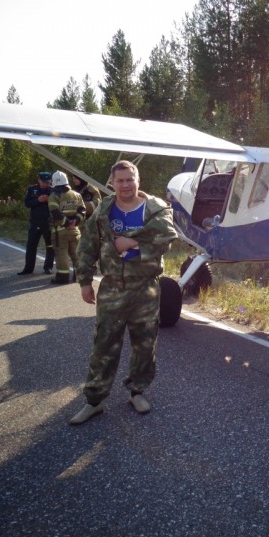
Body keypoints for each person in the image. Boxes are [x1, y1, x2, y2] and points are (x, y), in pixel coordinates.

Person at [69, 160, 177, 424]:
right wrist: (84, 281)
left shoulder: (156, 209)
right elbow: (87, 245)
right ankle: (94, 400)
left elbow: (166, 239)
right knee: (104, 345)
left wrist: (133, 245)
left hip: (146, 289)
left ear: (138, 180)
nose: (126, 185)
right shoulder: (104, 210)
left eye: (130, 179)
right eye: (120, 181)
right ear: (112, 183)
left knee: (144, 345)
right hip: (112, 288)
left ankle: (137, 392)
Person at [48, 171, 86, 284]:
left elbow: (55, 212)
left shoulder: (54, 196)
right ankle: (79, 276)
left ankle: (63, 277)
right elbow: (82, 210)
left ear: (54, 182)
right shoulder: (76, 194)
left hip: (60, 231)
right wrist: (76, 221)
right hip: (75, 230)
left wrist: (66, 222)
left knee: (61, 254)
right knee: (76, 253)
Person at [18, 171, 55, 275]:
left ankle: (48, 267)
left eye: (48, 182)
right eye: (44, 182)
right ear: (39, 180)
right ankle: (28, 269)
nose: (46, 184)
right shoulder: (32, 189)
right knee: (31, 245)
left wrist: (49, 200)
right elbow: (27, 203)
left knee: (50, 246)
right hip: (35, 222)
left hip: (48, 222)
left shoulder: (53, 191)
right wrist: (38, 200)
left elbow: (58, 205)